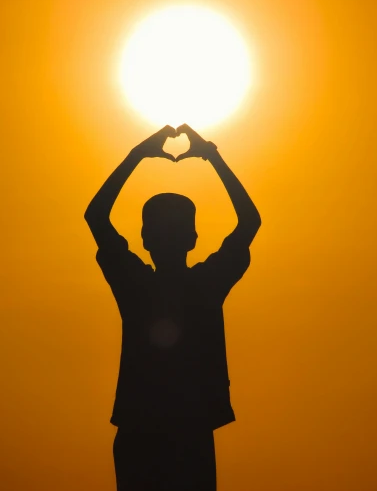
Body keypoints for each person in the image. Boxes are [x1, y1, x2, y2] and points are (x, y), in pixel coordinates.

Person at [84, 124, 261, 491]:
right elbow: (250, 222)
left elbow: (96, 216)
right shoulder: (206, 285)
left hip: (141, 431)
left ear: (144, 239)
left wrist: (137, 154)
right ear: (193, 237)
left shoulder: (135, 284)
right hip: (189, 431)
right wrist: (212, 156)